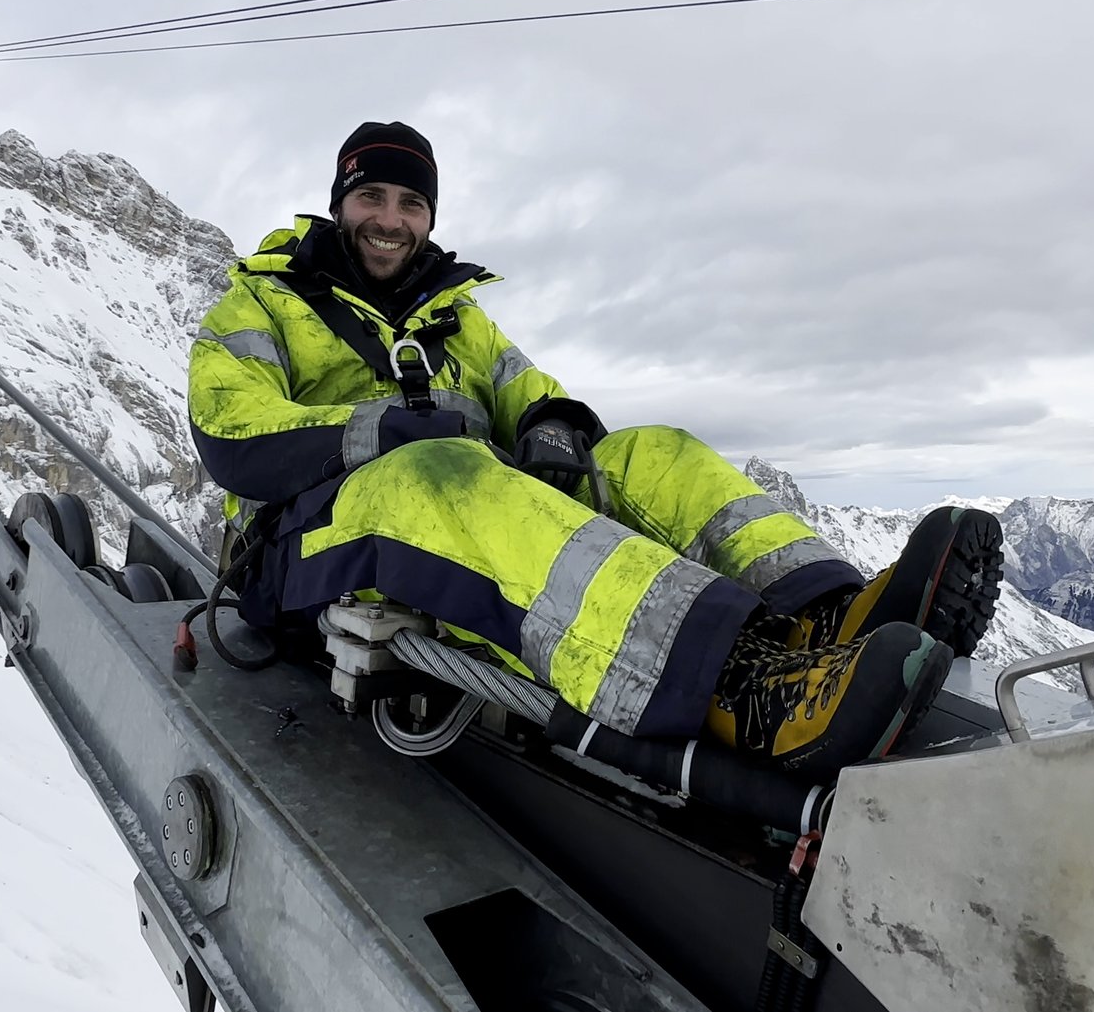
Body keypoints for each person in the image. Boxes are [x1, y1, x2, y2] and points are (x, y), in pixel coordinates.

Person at [186, 121, 1002, 780]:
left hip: (449, 507)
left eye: (410, 202)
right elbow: (232, 434)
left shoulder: (452, 314)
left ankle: (830, 618)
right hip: (304, 548)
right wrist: (376, 433)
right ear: (340, 204)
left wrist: (551, 423)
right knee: (441, 471)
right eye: (372, 196)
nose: (391, 220)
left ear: (429, 216)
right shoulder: (265, 299)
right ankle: (741, 689)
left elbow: (527, 388)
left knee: (655, 452)